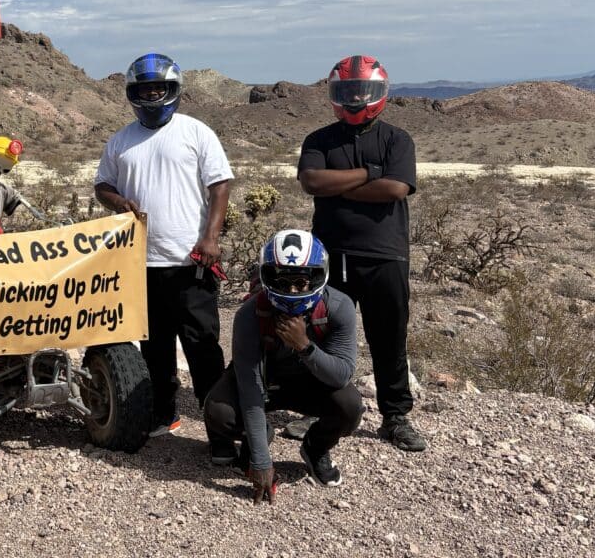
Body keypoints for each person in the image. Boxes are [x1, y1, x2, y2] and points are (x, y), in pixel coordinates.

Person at [94, 53, 233, 446]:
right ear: (132, 94)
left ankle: (218, 421)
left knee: (202, 345)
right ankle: (163, 413)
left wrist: (211, 237)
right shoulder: (120, 140)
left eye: (159, 88)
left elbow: (220, 184)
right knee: (153, 346)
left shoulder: (196, 132)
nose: (152, 94)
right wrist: (118, 202)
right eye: (144, 89)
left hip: (191, 260)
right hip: (140, 262)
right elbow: (102, 184)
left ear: (174, 90)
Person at [297, 55, 426, 452]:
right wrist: (370, 173)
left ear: (379, 92)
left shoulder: (397, 140)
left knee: (389, 337)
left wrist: (339, 186)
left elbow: (395, 190)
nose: (354, 98)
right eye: (347, 91)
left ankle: (396, 415)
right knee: (322, 334)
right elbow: (311, 180)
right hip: (331, 254)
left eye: (362, 91)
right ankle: (322, 409)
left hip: (384, 255)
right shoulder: (319, 139)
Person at [204, 230, 363, 501]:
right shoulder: (250, 315)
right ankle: (254, 441)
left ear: (316, 276)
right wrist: (262, 461)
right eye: (282, 281)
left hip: (310, 382)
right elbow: (249, 387)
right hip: (265, 383)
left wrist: (305, 346)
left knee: (350, 406)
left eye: (301, 282)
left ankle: (315, 448)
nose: (291, 291)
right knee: (218, 411)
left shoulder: (338, 307)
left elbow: (341, 375)